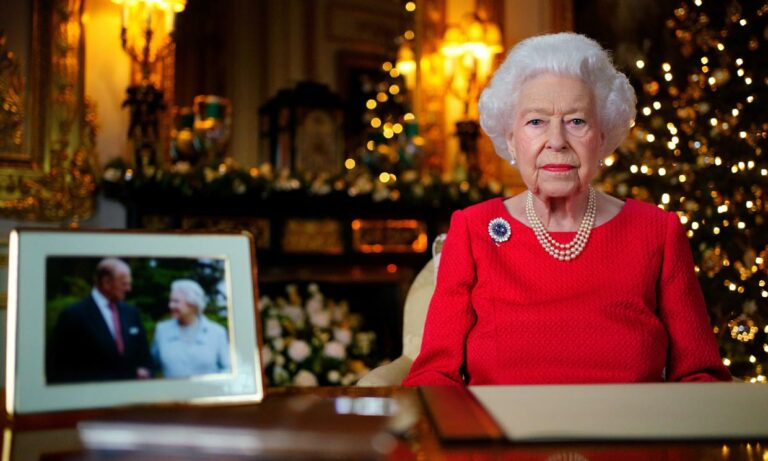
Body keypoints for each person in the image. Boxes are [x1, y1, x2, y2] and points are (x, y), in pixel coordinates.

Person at [403, 33, 731, 386]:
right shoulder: (473, 229)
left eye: (577, 121)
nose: (557, 141)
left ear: (602, 137)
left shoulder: (656, 231)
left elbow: (701, 376)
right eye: (536, 122)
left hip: (628, 438)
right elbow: (434, 377)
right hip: (502, 438)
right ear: (511, 138)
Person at [48, 258, 152, 383]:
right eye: (124, 284)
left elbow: (145, 356)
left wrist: (146, 371)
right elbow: (58, 368)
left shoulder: (131, 313)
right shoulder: (73, 315)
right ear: (106, 283)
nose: (129, 289)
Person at [151, 279, 231, 378]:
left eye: (176, 301)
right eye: (170, 301)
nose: (170, 305)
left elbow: (227, 368)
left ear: (192, 304)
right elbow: (151, 366)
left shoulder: (217, 332)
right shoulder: (162, 330)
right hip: (171, 393)